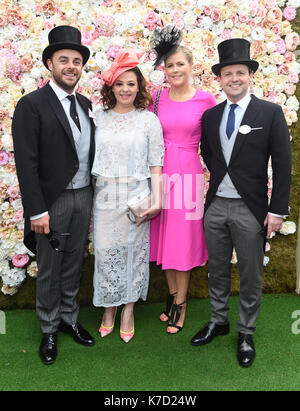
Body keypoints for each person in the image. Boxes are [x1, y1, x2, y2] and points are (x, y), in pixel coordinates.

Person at [191, 38, 292, 367]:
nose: (234, 78)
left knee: (250, 274)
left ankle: (245, 331)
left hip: (252, 210)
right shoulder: (211, 117)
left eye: (240, 72)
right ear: (219, 79)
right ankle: (219, 321)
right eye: (228, 73)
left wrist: (276, 210)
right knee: (216, 270)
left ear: (250, 75)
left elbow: (283, 164)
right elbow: (210, 153)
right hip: (216, 206)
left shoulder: (270, 113)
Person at [12, 25, 96, 365]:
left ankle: (69, 318)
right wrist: (36, 211)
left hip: (84, 196)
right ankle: (48, 327)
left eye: (77, 61)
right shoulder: (31, 105)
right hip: (52, 202)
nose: (71, 66)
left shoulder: (87, 104)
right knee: (49, 266)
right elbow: (26, 163)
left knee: (74, 261)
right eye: (64, 60)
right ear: (50, 63)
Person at [92, 48, 164, 343]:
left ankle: (128, 310)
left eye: (131, 84)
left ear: (139, 87)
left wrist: (158, 201)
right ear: (111, 86)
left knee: (134, 254)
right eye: (120, 83)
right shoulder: (98, 117)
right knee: (106, 253)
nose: (125, 89)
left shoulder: (149, 121)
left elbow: (156, 165)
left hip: (138, 195)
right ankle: (108, 308)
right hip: (105, 196)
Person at [149, 25, 216, 334]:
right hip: (162, 175)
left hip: (188, 175)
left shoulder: (206, 101)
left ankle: (182, 304)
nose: (174, 69)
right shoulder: (157, 99)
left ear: (191, 67)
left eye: (180, 64)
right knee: (164, 240)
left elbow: (215, 144)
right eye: (170, 65)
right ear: (164, 69)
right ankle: (172, 296)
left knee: (182, 242)